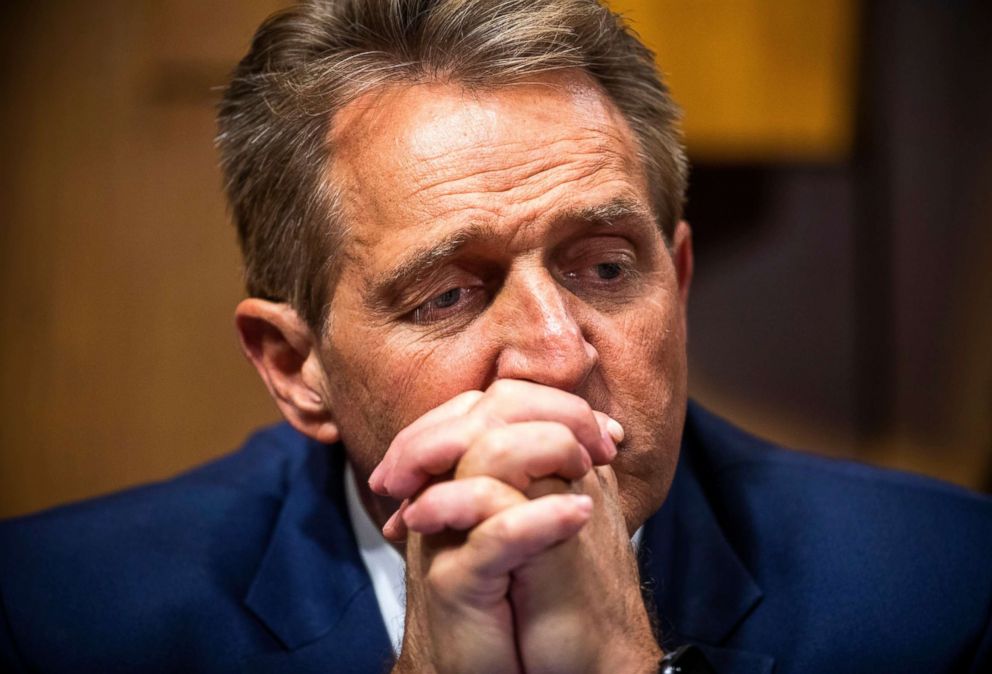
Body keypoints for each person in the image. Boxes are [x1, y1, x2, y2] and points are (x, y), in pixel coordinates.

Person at [1, 1, 990, 672]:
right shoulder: (55, 615)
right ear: (295, 367)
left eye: (605, 267)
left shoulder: (942, 586)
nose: (557, 351)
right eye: (444, 294)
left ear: (677, 282)